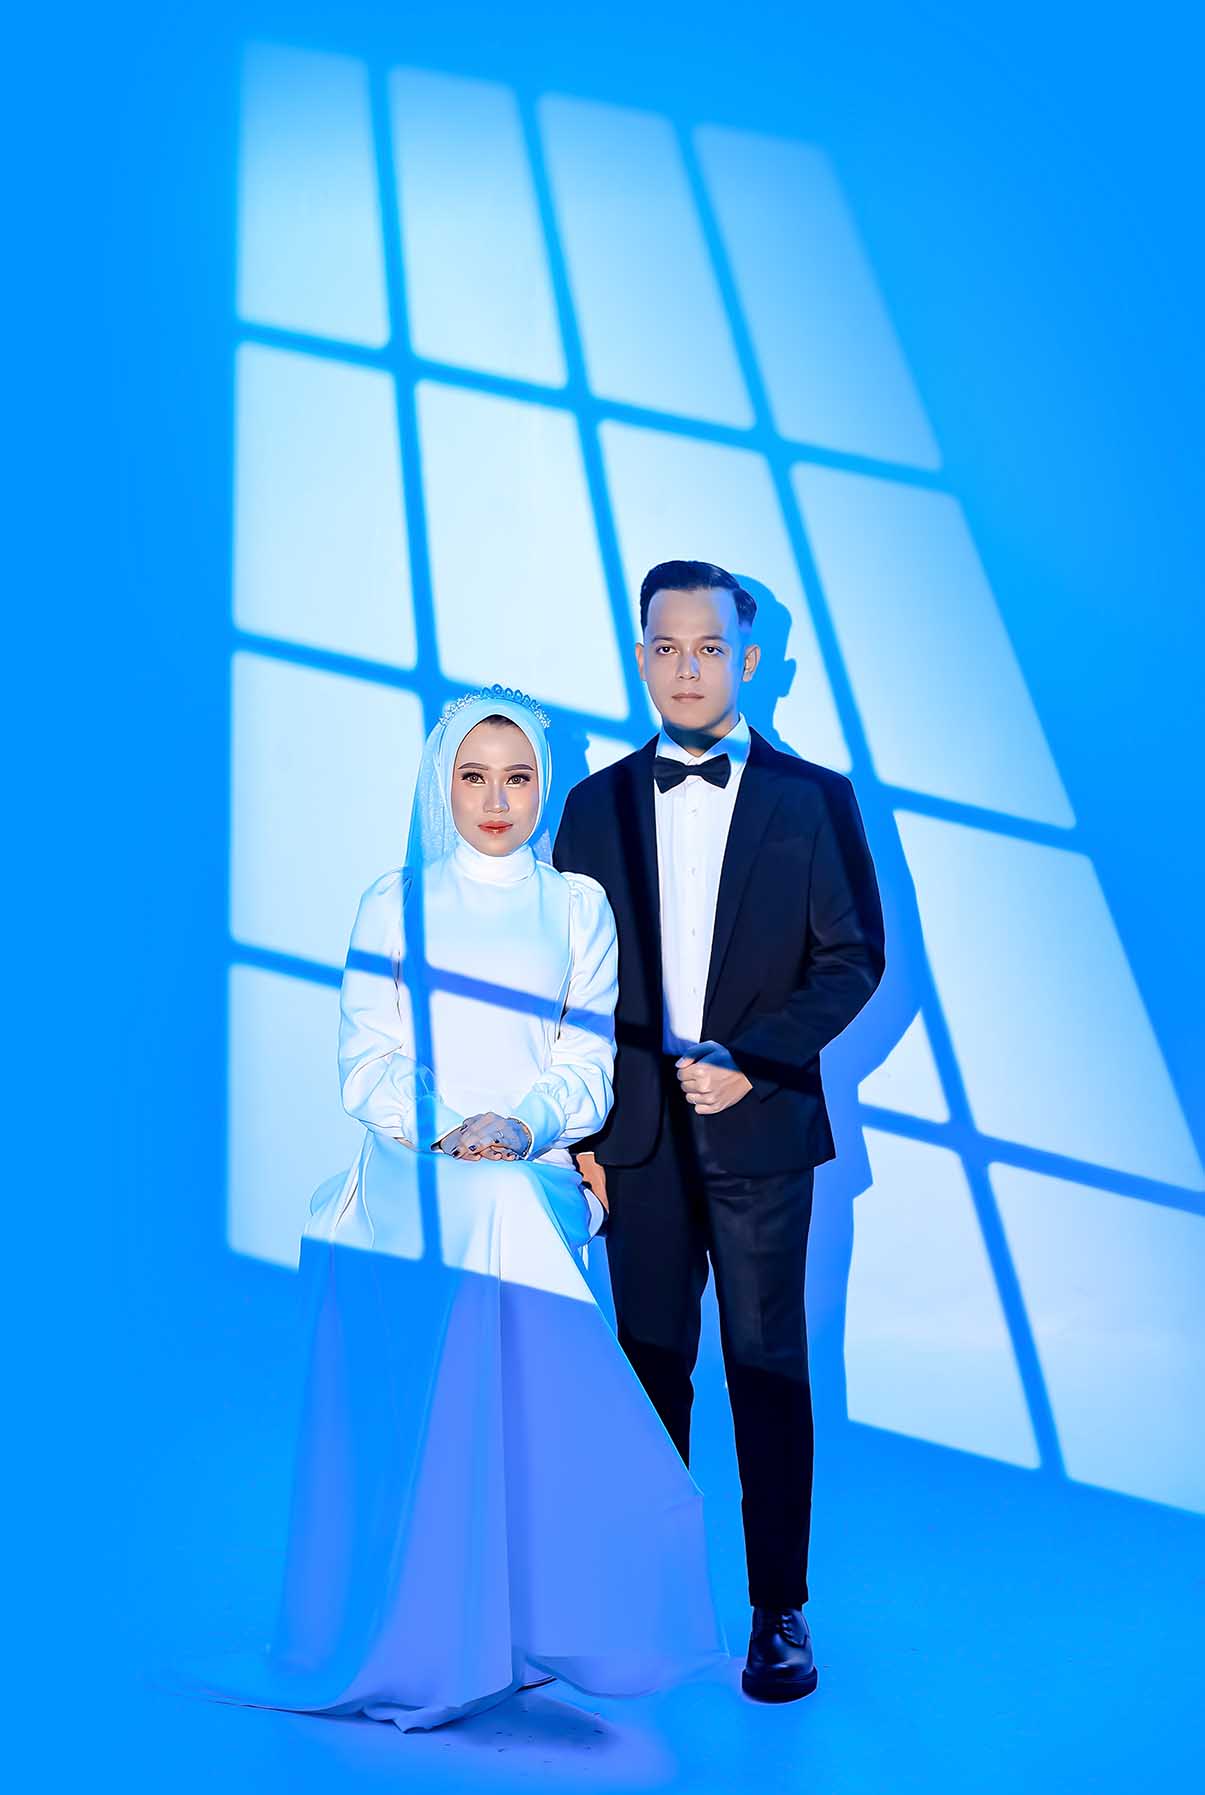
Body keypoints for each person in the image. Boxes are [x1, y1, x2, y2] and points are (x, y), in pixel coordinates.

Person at [185, 686, 726, 1732]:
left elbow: (586, 1064)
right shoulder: (394, 901)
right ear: (443, 785)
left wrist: (518, 1125)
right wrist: (446, 1125)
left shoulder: (576, 907)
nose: (496, 799)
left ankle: (534, 1611)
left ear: (542, 787)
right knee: (484, 1213)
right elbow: (366, 1057)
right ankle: (455, 1616)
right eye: (473, 777)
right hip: (409, 1161)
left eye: (517, 778)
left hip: (528, 1160)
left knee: (503, 1207)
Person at [554, 564, 885, 1703]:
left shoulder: (814, 799)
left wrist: (751, 1059)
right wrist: (577, 1132)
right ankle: (639, 1602)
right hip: (633, 1142)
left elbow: (852, 958)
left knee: (764, 1369)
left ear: (747, 660)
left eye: (708, 647)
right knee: (647, 1370)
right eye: (666, 647)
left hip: (762, 1137)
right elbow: (567, 983)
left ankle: (777, 1609)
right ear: (641, 657)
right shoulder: (592, 806)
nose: (686, 667)